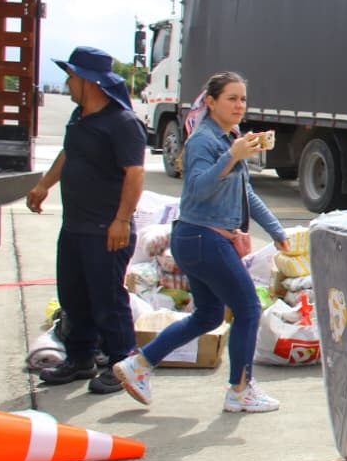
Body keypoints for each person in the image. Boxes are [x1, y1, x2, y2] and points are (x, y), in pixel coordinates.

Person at [113, 72, 291, 412]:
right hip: (202, 238)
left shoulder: (228, 138)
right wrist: (232, 157)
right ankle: (240, 391)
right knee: (249, 308)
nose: (239, 105)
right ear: (210, 102)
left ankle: (138, 365)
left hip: (198, 240)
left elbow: (245, 193)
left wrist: (276, 231)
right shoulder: (203, 141)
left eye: (242, 99)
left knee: (208, 315)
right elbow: (196, 189)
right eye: (231, 98)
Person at [26, 46, 145, 395]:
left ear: (90, 82)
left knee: (107, 298)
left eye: (72, 76)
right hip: (75, 225)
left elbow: (134, 174)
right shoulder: (80, 117)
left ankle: (123, 363)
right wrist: (43, 184)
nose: (67, 82)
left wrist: (121, 220)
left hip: (106, 229)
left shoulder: (121, 123)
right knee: (73, 295)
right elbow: (69, 152)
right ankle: (80, 357)